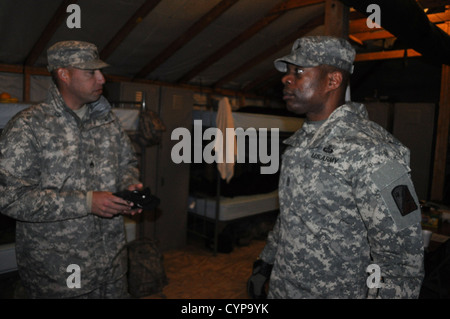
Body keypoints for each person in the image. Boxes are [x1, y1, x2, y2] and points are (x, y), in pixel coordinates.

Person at [247, 36, 424, 298]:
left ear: (333, 80)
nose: (286, 78)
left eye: (299, 71)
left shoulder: (374, 151)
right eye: (287, 71)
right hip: (284, 289)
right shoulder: (299, 145)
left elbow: (401, 257)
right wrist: (265, 262)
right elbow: (289, 215)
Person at [0, 41, 143, 298]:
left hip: (112, 268)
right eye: (90, 72)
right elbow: (11, 198)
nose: (101, 78)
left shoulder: (108, 123)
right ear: (64, 74)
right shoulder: (28, 127)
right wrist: (86, 202)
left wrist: (129, 188)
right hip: (58, 277)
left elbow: (128, 164)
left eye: (100, 71)